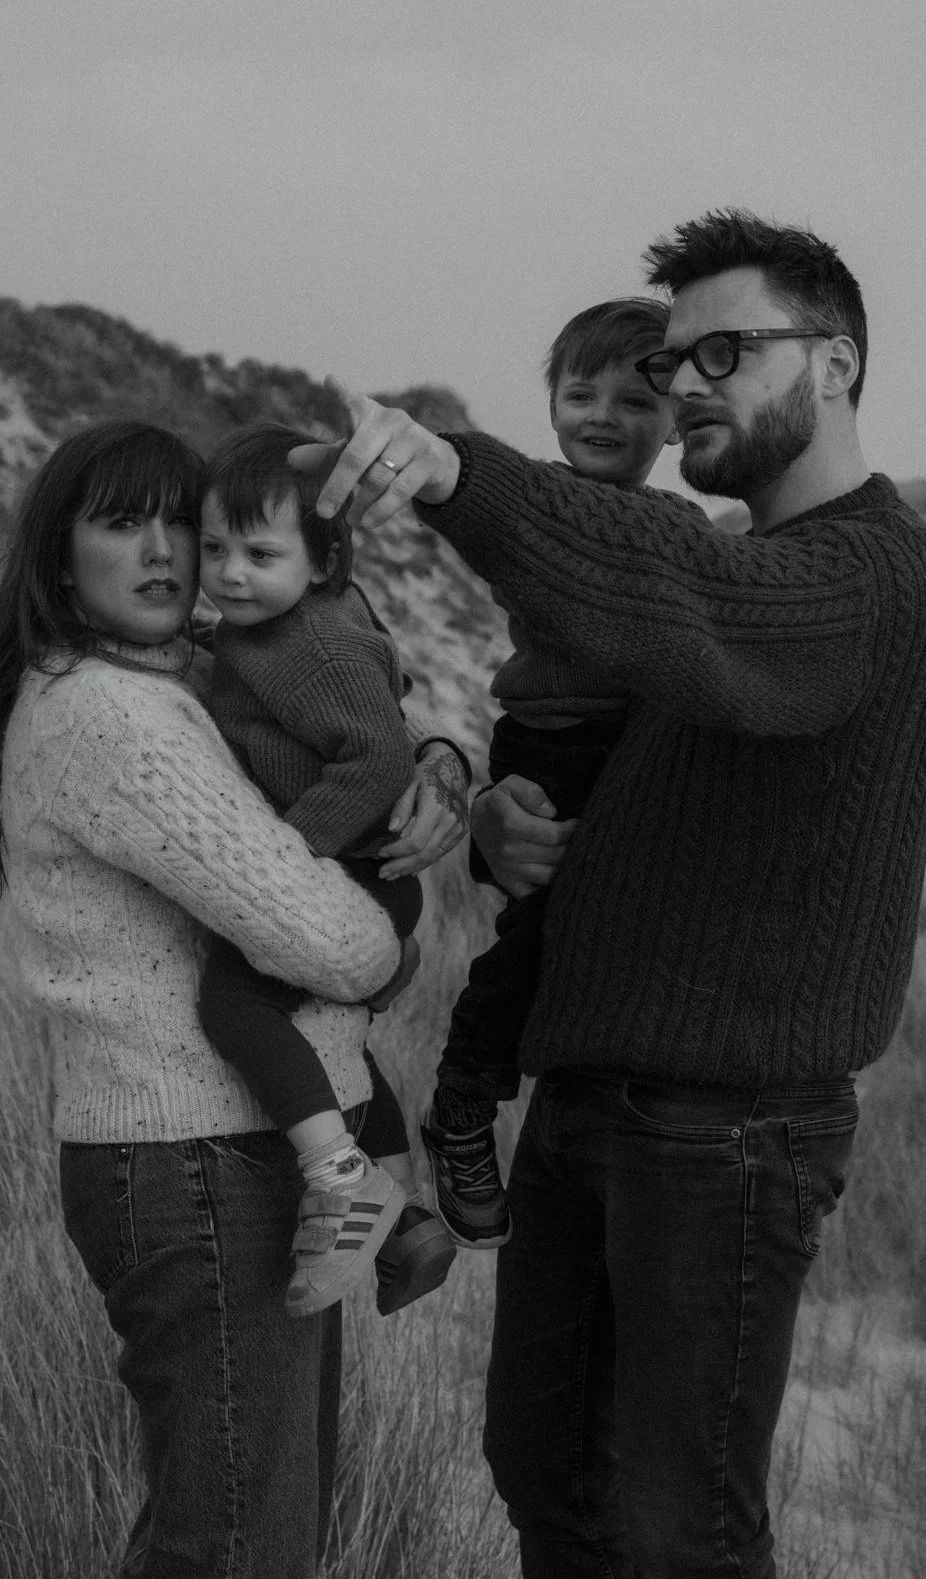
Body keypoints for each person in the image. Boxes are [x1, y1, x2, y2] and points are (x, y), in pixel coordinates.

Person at [293, 210, 926, 1579]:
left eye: (725, 353)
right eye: (674, 358)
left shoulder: (866, 572)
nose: (682, 382)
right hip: (589, 1105)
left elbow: (690, 608)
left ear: (833, 362)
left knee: (675, 1532)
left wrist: (459, 473)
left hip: (723, 1132)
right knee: (551, 1488)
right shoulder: (749, 566)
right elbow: (614, 723)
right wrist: (488, 808)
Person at [0, 417, 470, 1579]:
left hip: (228, 1149)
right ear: (58, 554)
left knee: (256, 1529)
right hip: (196, 1158)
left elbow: (337, 711)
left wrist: (436, 761)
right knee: (237, 1545)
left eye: (182, 519)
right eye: (120, 522)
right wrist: (391, 946)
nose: (166, 549)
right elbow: (322, 936)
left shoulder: (168, 678)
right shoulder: (112, 714)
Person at [421, 298, 687, 1250]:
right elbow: (492, 512)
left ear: (676, 415)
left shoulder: (678, 519)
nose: (605, 415)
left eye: (635, 396)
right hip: (551, 744)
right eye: (582, 394)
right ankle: (460, 1104)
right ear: (551, 408)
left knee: (603, 932)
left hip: (625, 747)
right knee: (539, 935)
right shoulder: (540, 506)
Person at [195, 424, 459, 1317]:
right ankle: (399, 1226)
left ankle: (340, 1178)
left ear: (323, 561)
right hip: (354, 863)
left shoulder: (314, 645)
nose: (230, 573)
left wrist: (285, 860)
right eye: (213, 548)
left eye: (259, 553)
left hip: (351, 862)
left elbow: (380, 761)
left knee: (233, 1000)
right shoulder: (266, 626)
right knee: (331, 1042)